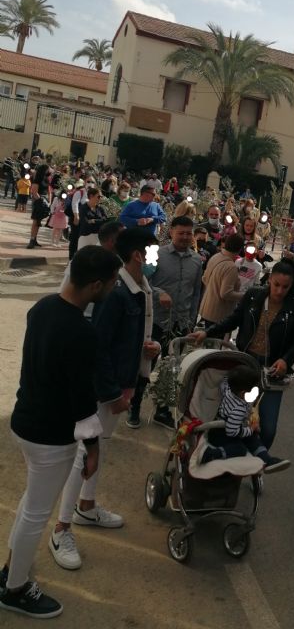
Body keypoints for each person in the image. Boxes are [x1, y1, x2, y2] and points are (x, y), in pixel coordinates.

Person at [0, 246, 121, 619]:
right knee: (37, 512)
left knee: (30, 505)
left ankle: (11, 571)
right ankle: (15, 588)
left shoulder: (43, 307)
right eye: (112, 283)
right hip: (50, 435)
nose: (113, 289)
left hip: (26, 421)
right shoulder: (81, 332)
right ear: (95, 284)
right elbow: (83, 399)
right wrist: (94, 446)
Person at [49, 229, 159, 570]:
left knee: (99, 450)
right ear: (139, 255)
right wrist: (112, 392)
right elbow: (99, 347)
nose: (159, 254)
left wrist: (144, 349)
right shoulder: (117, 292)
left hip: (118, 384)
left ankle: (87, 507)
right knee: (84, 454)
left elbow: (122, 340)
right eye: (155, 249)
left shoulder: (138, 289)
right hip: (103, 388)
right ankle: (61, 529)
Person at [192, 261, 294, 452]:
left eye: (285, 287)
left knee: (267, 428)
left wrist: (285, 360)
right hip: (245, 367)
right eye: (276, 284)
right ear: (269, 279)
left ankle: (255, 459)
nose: (279, 290)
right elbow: (234, 319)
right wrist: (208, 332)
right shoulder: (253, 296)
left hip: (271, 374)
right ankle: (234, 455)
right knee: (235, 417)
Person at [128, 216, 202, 429]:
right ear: (171, 232)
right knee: (146, 366)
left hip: (180, 324)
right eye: (181, 232)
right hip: (155, 321)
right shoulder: (154, 254)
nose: (185, 237)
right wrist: (159, 293)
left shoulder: (197, 261)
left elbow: (196, 293)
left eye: (189, 233)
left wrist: (191, 320)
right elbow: (142, 281)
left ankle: (162, 410)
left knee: (171, 369)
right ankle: (134, 407)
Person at [202, 366, 291, 473]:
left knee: (252, 438)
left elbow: (224, 384)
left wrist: (227, 376)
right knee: (240, 448)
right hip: (221, 435)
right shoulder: (238, 409)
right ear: (244, 393)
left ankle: (267, 460)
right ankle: (212, 453)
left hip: (230, 428)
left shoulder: (229, 391)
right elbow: (232, 431)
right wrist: (251, 429)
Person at [199, 232, 244, 329]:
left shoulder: (215, 256)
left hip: (206, 308)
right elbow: (226, 294)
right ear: (240, 249)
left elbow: (204, 278)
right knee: (216, 342)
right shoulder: (230, 266)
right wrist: (244, 295)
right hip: (218, 314)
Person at [26, 154, 54, 249]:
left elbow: (49, 190)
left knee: (38, 222)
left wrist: (49, 202)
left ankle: (35, 239)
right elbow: (34, 191)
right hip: (38, 200)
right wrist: (41, 201)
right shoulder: (37, 179)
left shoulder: (46, 179)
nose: (49, 171)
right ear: (44, 170)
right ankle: (32, 240)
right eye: (48, 170)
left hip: (44, 200)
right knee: (35, 221)